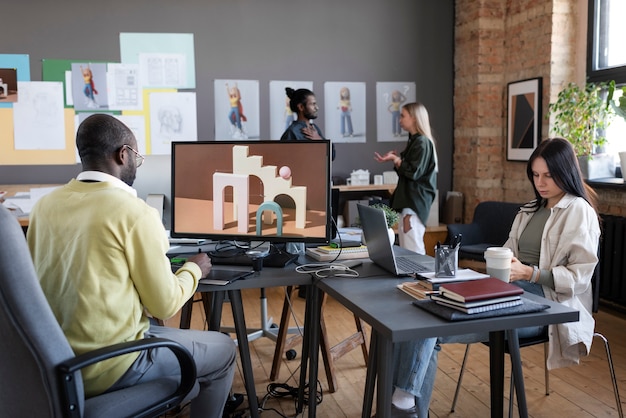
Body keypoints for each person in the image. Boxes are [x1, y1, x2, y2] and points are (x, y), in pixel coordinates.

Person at [26, 113, 237, 418]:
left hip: (54, 360)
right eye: (136, 157)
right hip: (109, 366)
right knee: (224, 350)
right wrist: (194, 269)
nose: (136, 164)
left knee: (163, 340)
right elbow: (163, 306)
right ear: (122, 154)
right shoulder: (135, 213)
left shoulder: (45, 205)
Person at [390, 137, 601, 417]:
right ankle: (406, 405)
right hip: (508, 293)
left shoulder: (578, 211)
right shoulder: (531, 209)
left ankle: (401, 404)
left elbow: (579, 278)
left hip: (545, 306)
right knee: (420, 320)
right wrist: (476, 274)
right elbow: (507, 253)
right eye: (535, 175)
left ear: (566, 172)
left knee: (429, 329)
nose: (540, 182)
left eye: (549, 175)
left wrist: (530, 272)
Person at [375, 102, 438, 255]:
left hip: (414, 202)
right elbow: (408, 171)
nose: (399, 120)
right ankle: (412, 278)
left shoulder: (422, 142)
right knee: (408, 249)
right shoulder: (415, 141)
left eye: (403, 116)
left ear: (414, 118)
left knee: (413, 249)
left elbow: (413, 173)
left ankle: (419, 278)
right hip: (410, 201)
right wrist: (396, 159)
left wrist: (396, 160)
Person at [280, 87, 335, 160]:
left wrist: (320, 140)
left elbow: (331, 156)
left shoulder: (314, 128)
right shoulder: (292, 132)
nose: (317, 108)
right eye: (313, 104)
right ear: (301, 107)